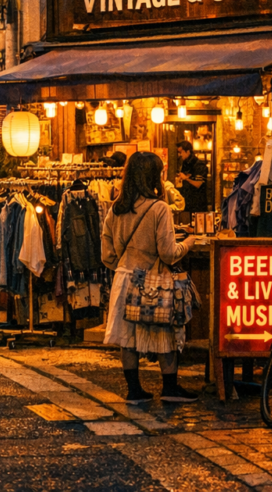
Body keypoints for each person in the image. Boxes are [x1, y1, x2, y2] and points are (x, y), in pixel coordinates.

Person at [101, 151, 198, 404]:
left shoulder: (116, 209)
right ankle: (170, 388)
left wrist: (124, 266)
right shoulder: (159, 208)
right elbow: (168, 253)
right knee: (163, 332)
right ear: (153, 176)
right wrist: (189, 241)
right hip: (153, 281)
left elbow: (106, 255)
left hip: (124, 278)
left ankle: (134, 391)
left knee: (127, 338)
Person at [175, 140, 209, 213]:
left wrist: (186, 178)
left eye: (181, 152)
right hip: (186, 203)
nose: (180, 155)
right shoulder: (185, 163)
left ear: (188, 152)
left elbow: (198, 184)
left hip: (197, 204)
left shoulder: (199, 165)